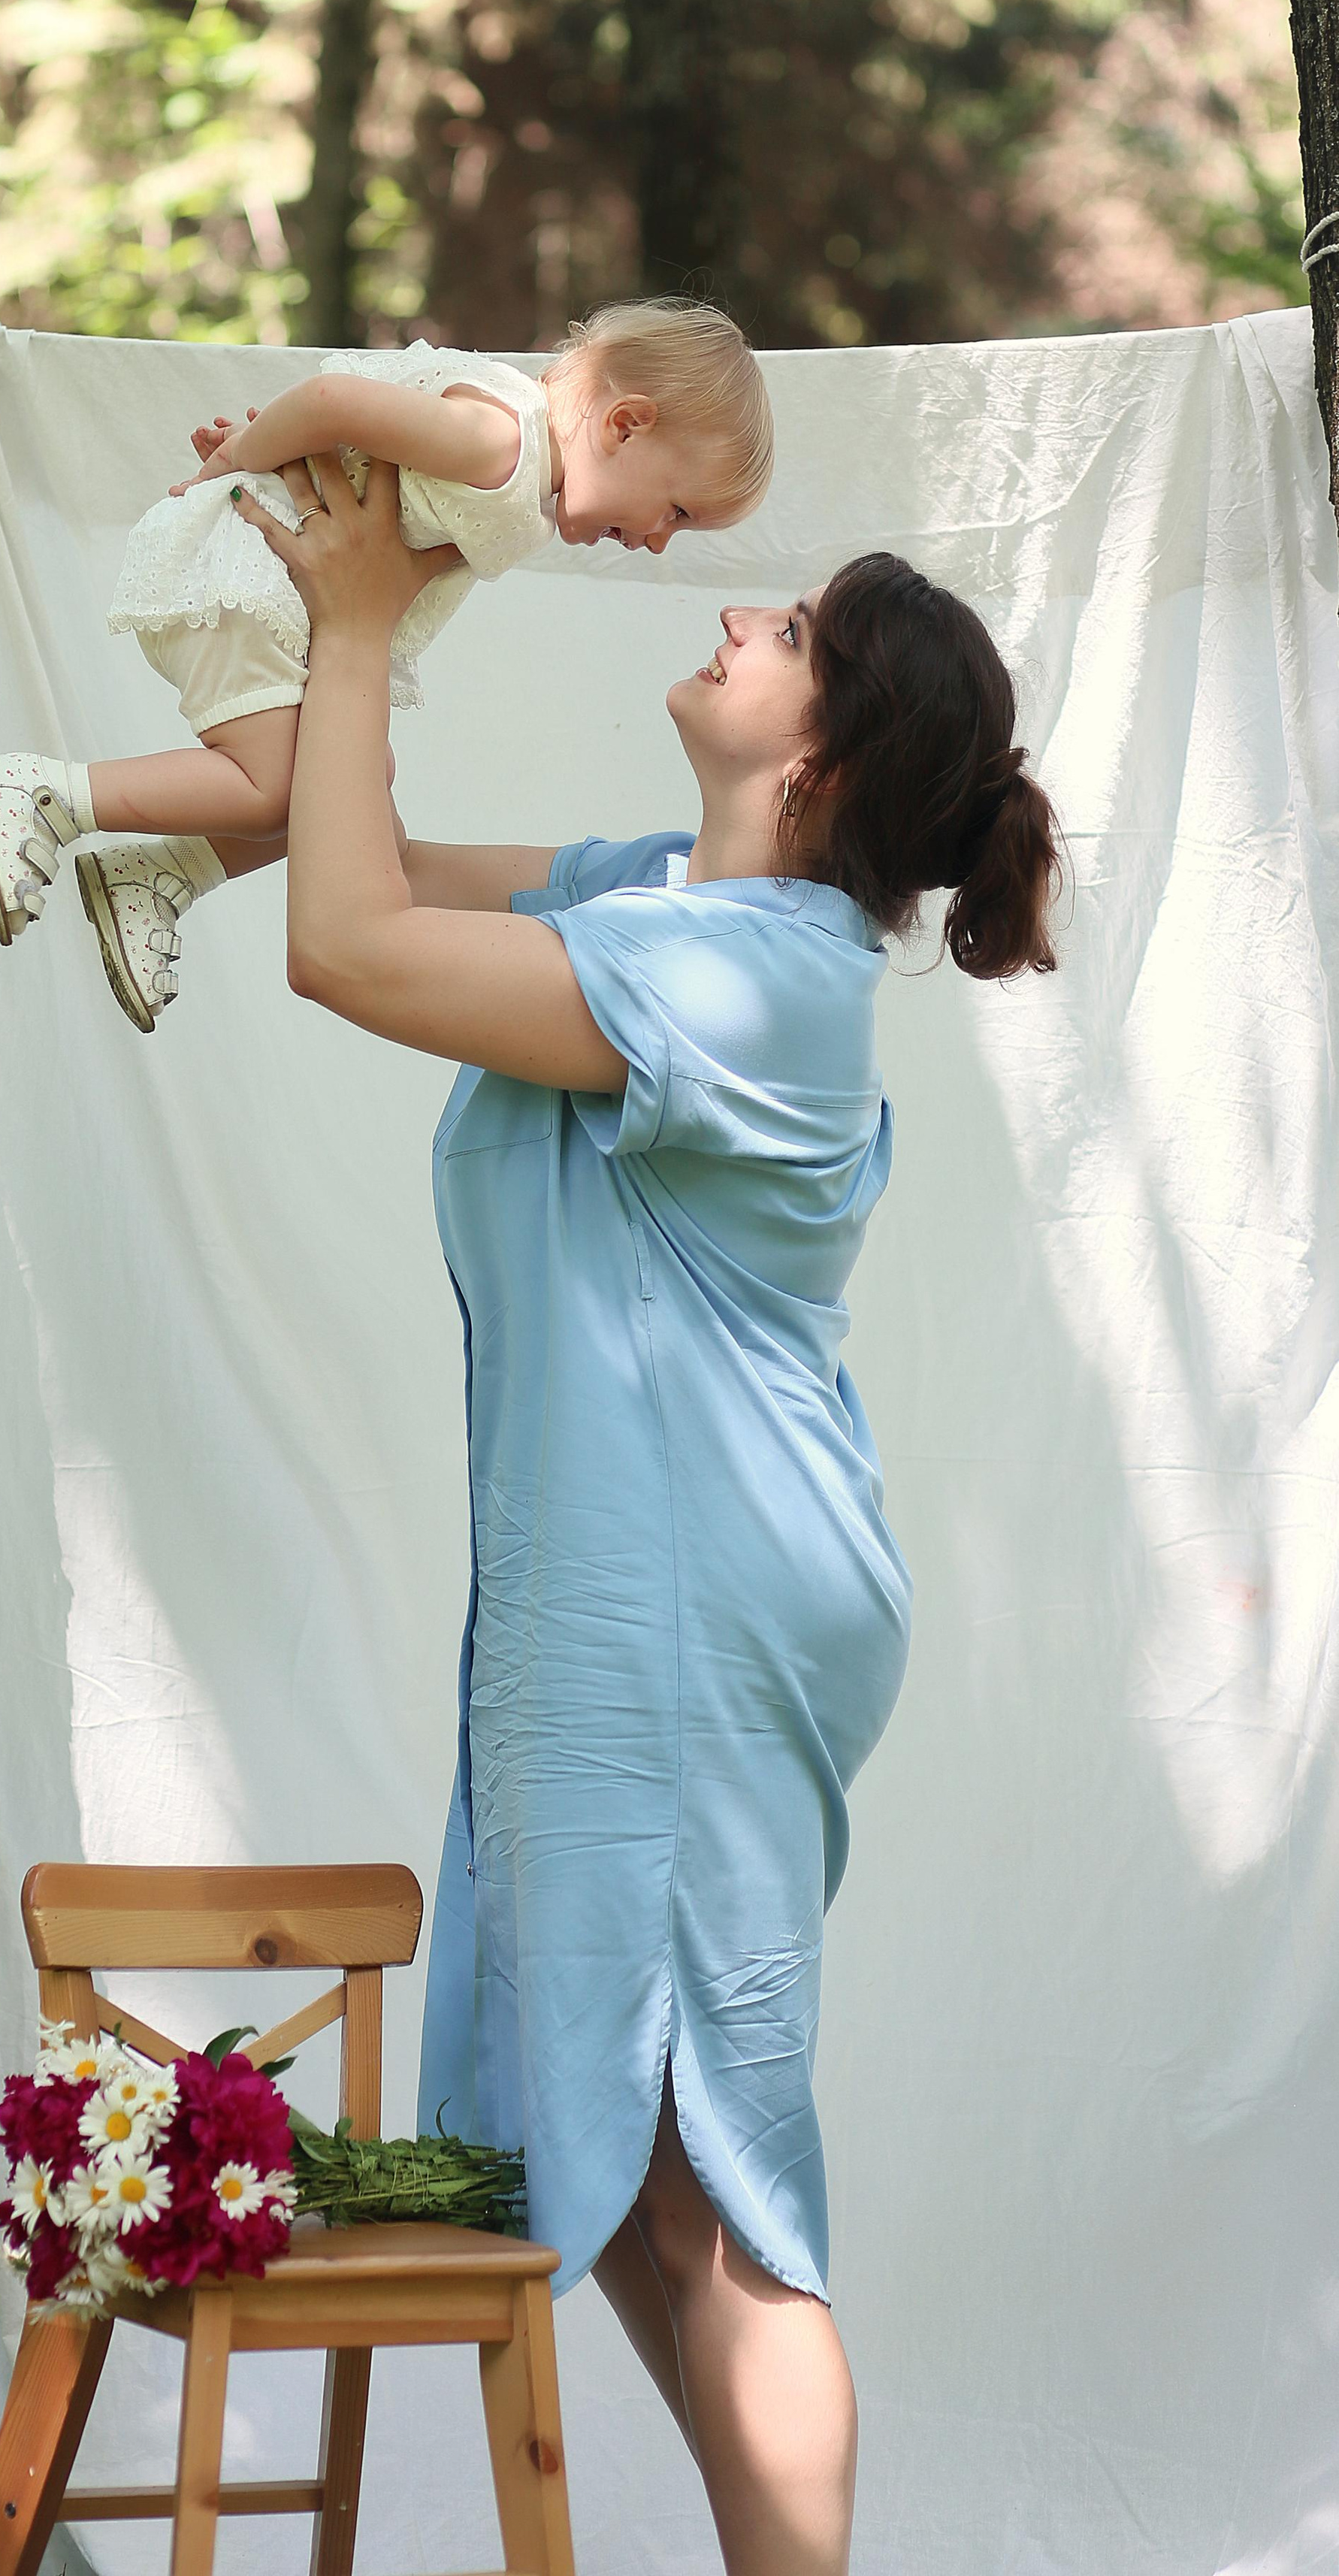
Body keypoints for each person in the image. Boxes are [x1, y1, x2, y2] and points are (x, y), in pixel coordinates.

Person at [237, 453, 1064, 2576]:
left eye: (784, 631)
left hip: (694, 1602)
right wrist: (251, 676)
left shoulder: (757, 976)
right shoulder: (652, 898)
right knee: (583, 2158)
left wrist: (355, 626)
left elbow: (344, 942)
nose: (731, 616)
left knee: (713, 2188)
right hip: (617, 1592)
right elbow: (357, 849)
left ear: (827, 757)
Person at [0, 296, 773, 1029]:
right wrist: (241, 455)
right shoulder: (501, 442)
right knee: (279, 786)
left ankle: (158, 876)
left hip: (286, 595)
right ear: (625, 424)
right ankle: (50, 794)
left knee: (353, 786)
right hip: (244, 578)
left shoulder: (521, 461)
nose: (659, 542)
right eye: (676, 511)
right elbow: (332, 402)